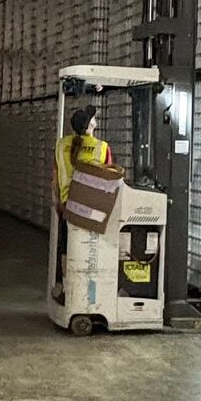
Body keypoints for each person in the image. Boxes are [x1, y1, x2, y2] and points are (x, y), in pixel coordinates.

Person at [53, 105, 114, 301]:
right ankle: (89, 295)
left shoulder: (61, 145)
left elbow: (55, 178)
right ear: (90, 125)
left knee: (66, 248)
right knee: (92, 252)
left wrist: (59, 203)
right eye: (93, 118)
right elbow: (110, 178)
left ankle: (66, 288)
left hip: (67, 206)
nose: (96, 120)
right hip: (92, 211)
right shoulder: (101, 147)